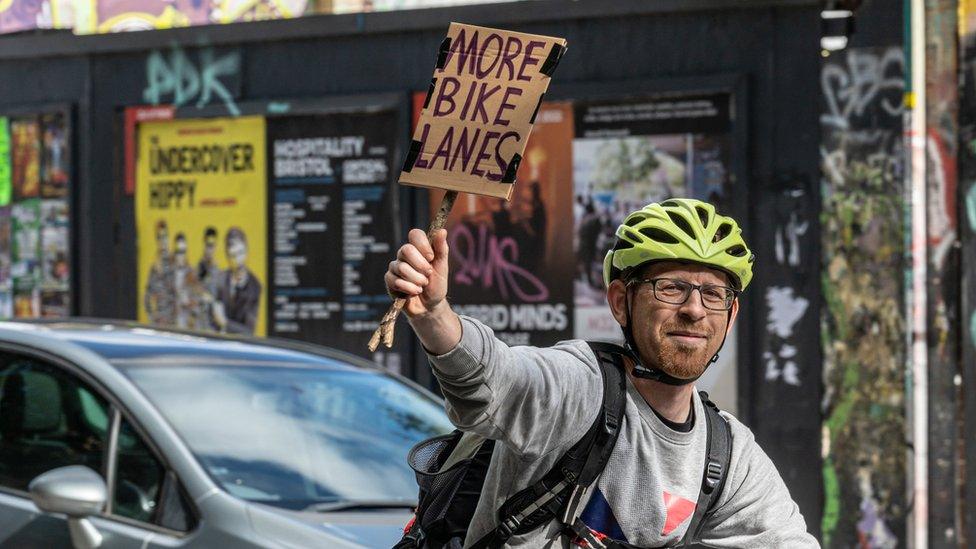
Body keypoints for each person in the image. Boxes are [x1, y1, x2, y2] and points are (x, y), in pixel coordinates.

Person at [385, 198, 818, 548]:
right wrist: (435, 315)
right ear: (620, 302)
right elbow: (494, 381)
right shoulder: (580, 386)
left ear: (732, 312)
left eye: (713, 293)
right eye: (671, 287)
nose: (693, 309)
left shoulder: (726, 454)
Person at [214, 227, 261, 335]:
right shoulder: (220, 279)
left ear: (247, 250)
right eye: (233, 256)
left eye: (241, 253)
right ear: (227, 257)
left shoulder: (254, 287)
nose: (239, 261)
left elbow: (249, 331)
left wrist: (224, 322)